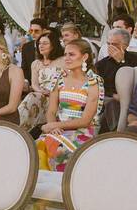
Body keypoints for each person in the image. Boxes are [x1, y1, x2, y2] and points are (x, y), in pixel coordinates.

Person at [35, 39, 104, 171]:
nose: (66, 58)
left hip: (82, 131)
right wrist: (52, 127)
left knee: (60, 150)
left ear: (84, 57)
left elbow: (85, 121)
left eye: (71, 54)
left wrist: (56, 125)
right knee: (38, 145)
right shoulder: (58, 79)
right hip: (58, 129)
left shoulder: (94, 83)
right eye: (65, 54)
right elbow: (51, 111)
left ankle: (62, 185)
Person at [94, 28, 137, 132]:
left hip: (135, 98)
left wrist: (121, 62)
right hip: (109, 99)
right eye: (108, 43)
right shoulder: (101, 64)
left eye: (114, 44)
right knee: (111, 104)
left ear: (125, 45)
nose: (110, 47)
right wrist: (113, 95)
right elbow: (97, 85)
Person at [18, 29, 65, 131]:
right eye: (39, 43)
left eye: (45, 43)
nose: (41, 46)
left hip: (58, 96)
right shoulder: (36, 63)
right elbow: (34, 84)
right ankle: (19, 128)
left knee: (33, 97)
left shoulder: (62, 61)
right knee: (33, 96)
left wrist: (54, 93)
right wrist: (41, 91)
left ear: (53, 45)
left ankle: (18, 128)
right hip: (41, 94)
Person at [19, 18, 49, 87]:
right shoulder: (26, 47)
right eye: (31, 31)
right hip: (30, 85)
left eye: (36, 31)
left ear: (44, 31)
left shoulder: (50, 47)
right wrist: (26, 82)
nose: (33, 34)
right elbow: (24, 68)